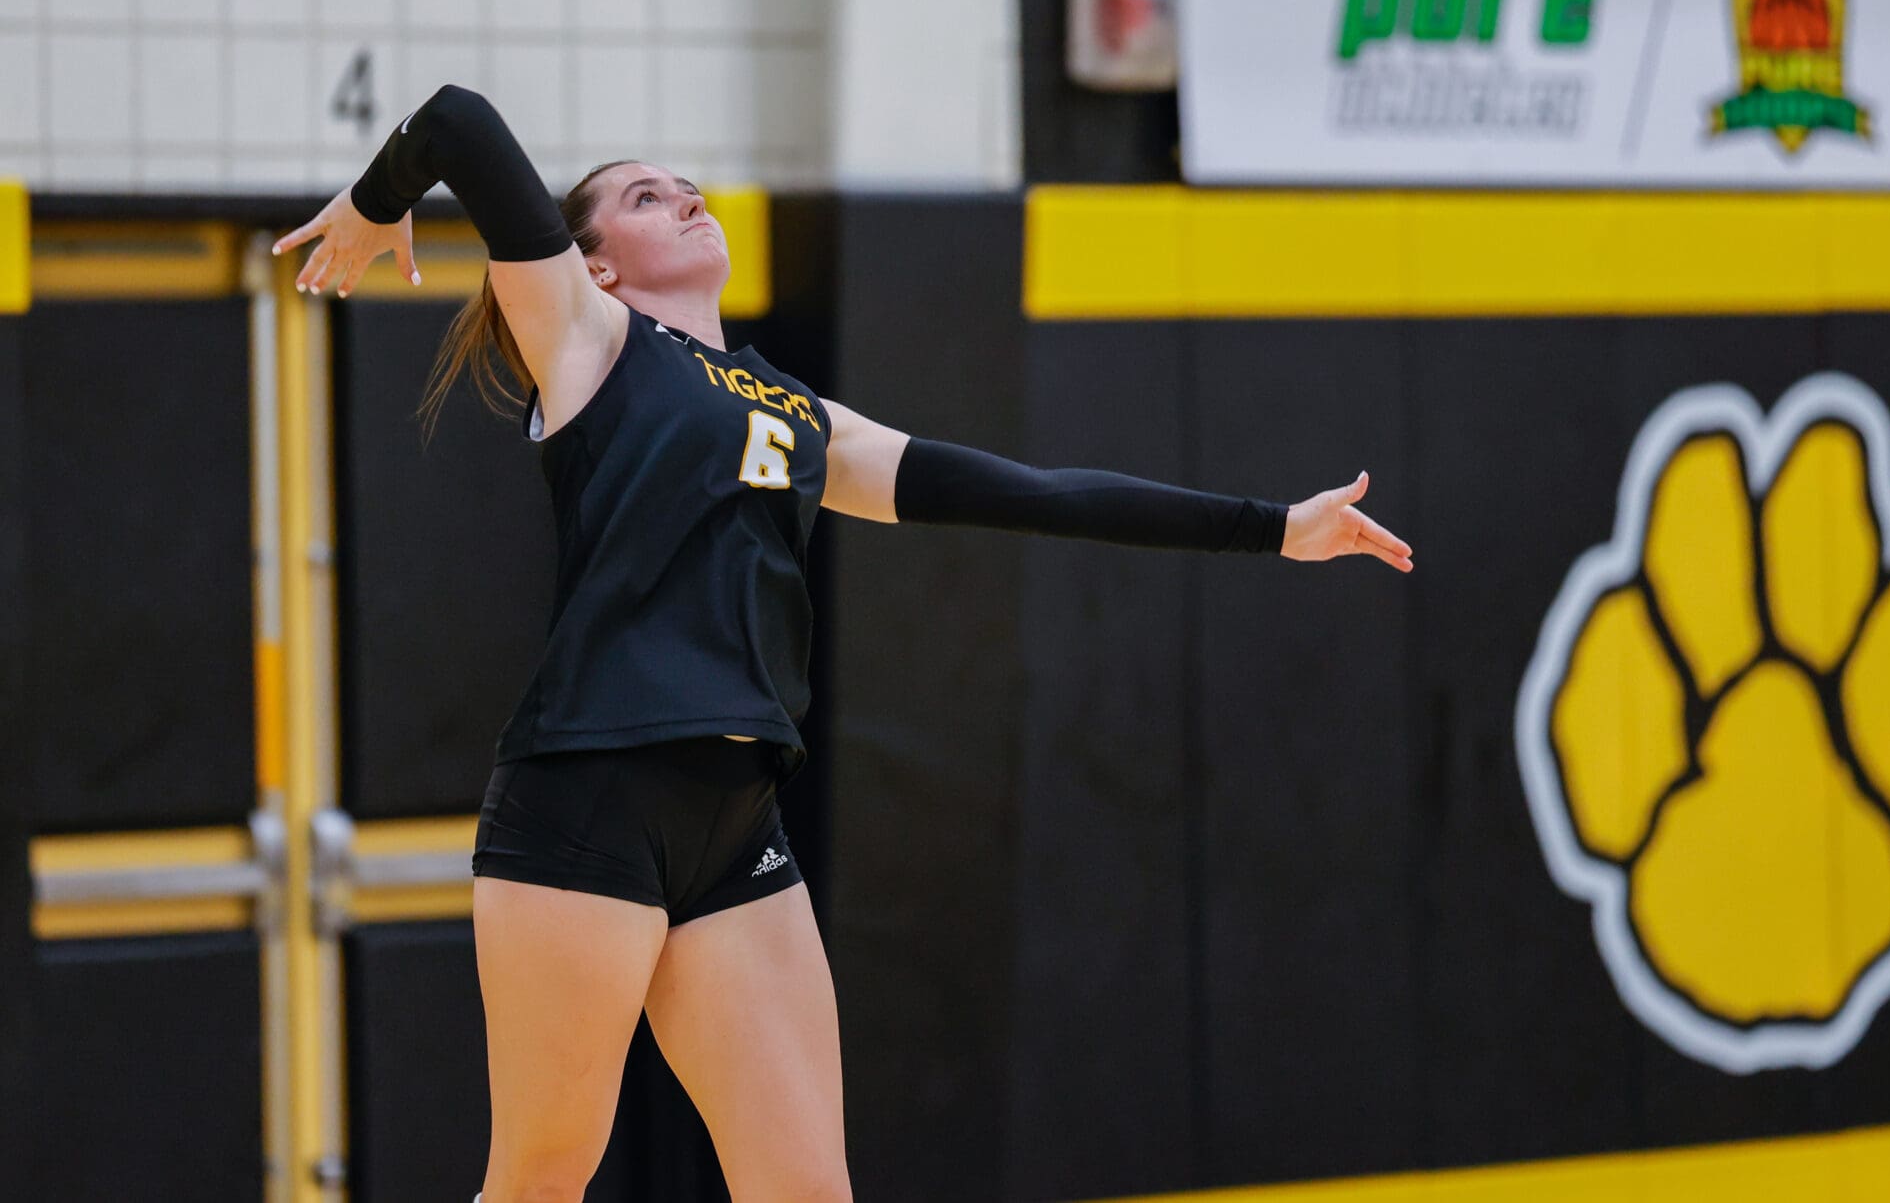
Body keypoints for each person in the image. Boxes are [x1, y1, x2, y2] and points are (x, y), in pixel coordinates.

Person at [275, 86, 1414, 1203]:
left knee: (805, 1188)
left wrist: (1270, 529)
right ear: (595, 264)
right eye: (641, 194)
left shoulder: (797, 416)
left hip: (734, 816)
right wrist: (380, 203)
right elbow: (459, 120)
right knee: (540, 1179)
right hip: (588, 790)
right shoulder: (588, 340)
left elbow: (1037, 493)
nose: (683, 196)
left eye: (685, 184)